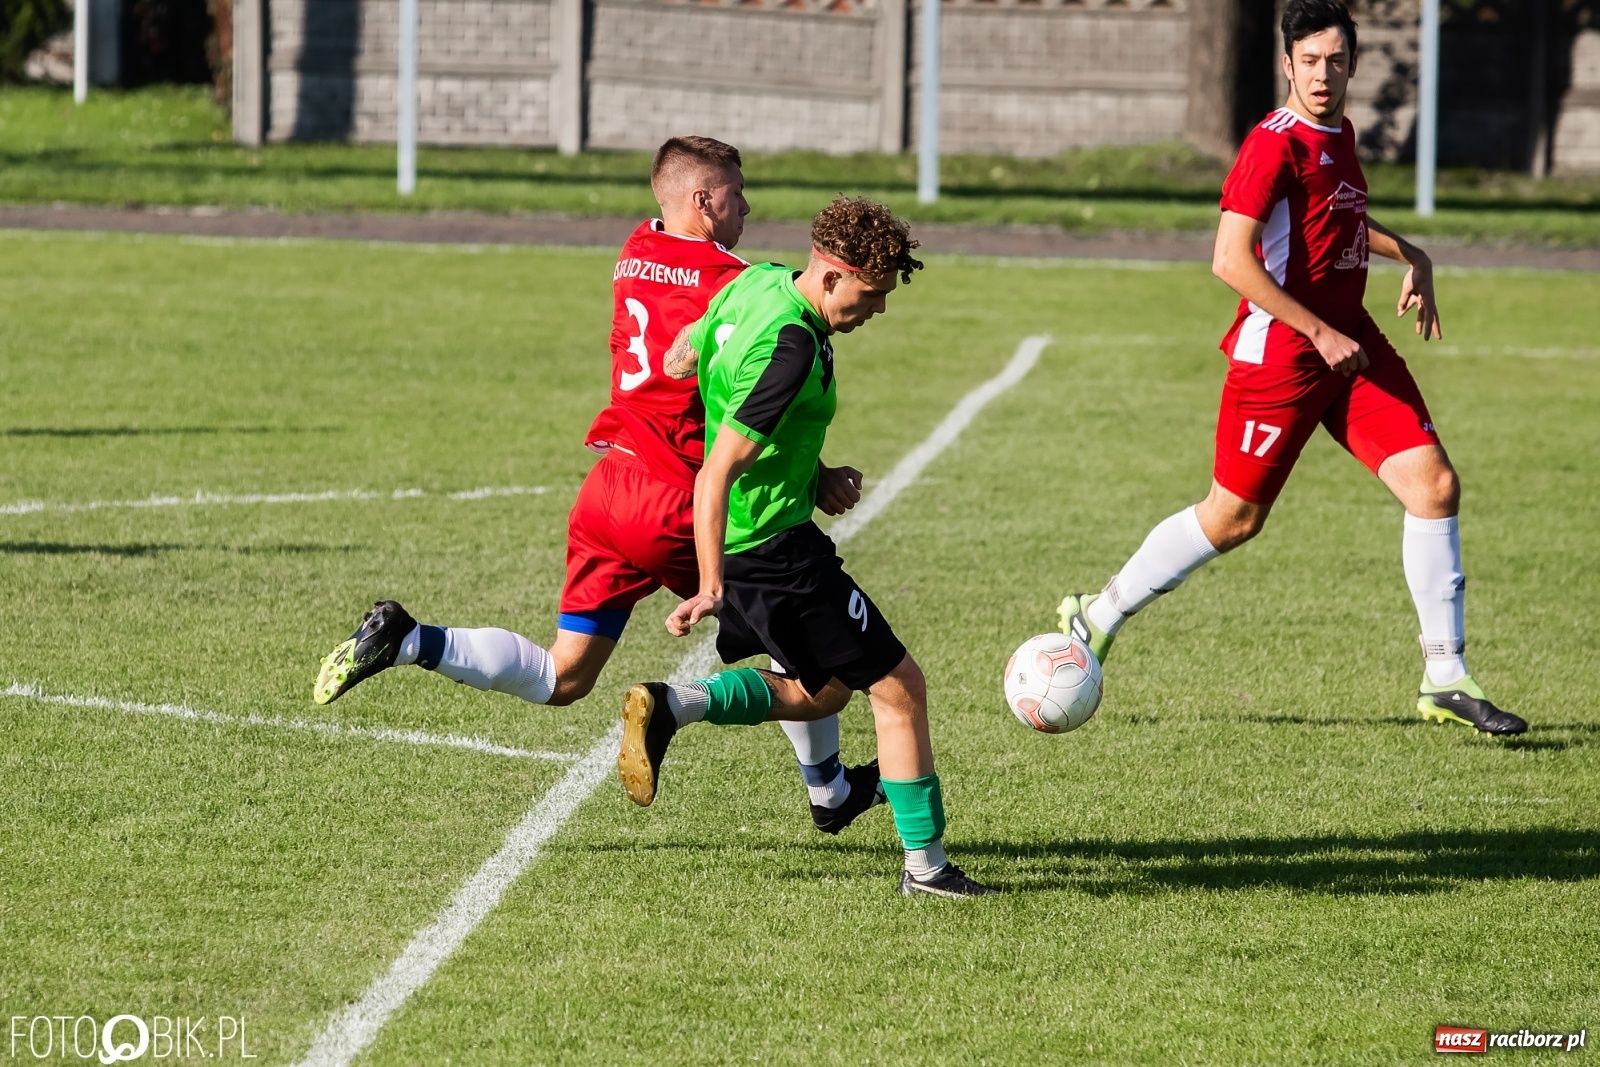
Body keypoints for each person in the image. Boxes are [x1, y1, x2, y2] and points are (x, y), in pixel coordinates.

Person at [313, 137, 887, 832]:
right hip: (679, 497)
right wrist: (816, 472)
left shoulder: (634, 248)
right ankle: (828, 791)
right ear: (703, 201)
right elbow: (748, 392)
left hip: (610, 487)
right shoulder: (735, 281)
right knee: (810, 666)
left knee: (564, 675)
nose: (747, 207)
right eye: (736, 194)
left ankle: (409, 640)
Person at [1057, 0, 1525, 736]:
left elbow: (1334, 218)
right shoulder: (1271, 145)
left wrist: (1414, 254)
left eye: (1335, 60)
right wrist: (1317, 331)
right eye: (1308, 60)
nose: (1322, 73)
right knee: (1234, 517)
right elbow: (1228, 258)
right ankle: (1098, 612)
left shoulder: (1338, 133)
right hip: (1280, 355)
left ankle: (1445, 675)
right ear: (1287, 64)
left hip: (1349, 341)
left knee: (1434, 486)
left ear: (1353, 65)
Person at [617, 196, 997, 898]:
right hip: (773, 552)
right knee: (900, 688)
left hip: (764, 539)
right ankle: (928, 867)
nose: (878, 309)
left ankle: (676, 704)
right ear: (830, 275)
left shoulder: (759, 279)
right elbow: (717, 470)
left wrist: (816, 475)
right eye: (870, 293)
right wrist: (707, 586)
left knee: (823, 694)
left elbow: (696, 338)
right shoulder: (793, 346)